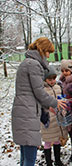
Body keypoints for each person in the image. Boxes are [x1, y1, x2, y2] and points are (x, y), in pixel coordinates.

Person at [11, 37, 66, 166]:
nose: (48, 56)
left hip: (24, 110)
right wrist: (55, 102)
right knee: (30, 156)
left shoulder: (27, 62)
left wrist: (46, 107)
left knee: (25, 155)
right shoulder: (33, 64)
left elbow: (31, 91)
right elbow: (39, 92)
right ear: (42, 50)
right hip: (27, 113)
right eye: (48, 52)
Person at [41, 66, 68, 166]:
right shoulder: (42, 89)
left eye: (54, 78)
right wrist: (47, 107)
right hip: (48, 118)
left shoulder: (58, 87)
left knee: (57, 138)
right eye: (49, 79)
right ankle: (48, 162)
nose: (52, 81)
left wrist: (63, 107)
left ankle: (58, 160)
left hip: (58, 117)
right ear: (44, 79)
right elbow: (40, 102)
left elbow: (61, 99)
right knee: (48, 140)